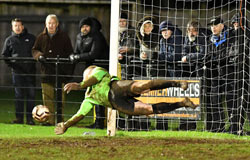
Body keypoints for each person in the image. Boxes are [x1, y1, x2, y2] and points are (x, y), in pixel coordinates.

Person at [54, 65, 198, 135]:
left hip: (116, 88)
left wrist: (79, 85)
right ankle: (182, 103)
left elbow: (94, 77)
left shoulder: (99, 73)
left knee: (143, 85)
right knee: (148, 109)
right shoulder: (89, 98)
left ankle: (177, 83)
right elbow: (80, 114)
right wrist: (66, 125)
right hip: (118, 104)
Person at [32, 14, 74, 125]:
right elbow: (34, 50)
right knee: (47, 97)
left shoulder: (64, 37)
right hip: (46, 73)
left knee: (61, 99)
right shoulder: (41, 37)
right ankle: (49, 120)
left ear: (57, 24)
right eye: (49, 23)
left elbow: (70, 52)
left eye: (53, 23)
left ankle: (60, 120)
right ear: (46, 24)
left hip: (60, 72)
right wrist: (39, 56)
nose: (51, 25)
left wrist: (67, 64)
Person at [69, 17, 109, 129]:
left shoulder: (97, 37)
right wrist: (73, 55)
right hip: (89, 69)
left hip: (100, 69)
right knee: (92, 94)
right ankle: (98, 121)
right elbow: (77, 51)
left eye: (86, 26)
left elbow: (94, 54)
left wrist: (78, 57)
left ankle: (100, 122)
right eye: (82, 26)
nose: (84, 28)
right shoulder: (78, 37)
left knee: (99, 94)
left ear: (91, 27)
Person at [1, 18, 36, 125]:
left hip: (30, 72)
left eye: (19, 25)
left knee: (31, 95)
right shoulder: (9, 40)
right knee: (19, 95)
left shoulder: (31, 38)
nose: (18, 28)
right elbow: (4, 55)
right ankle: (19, 118)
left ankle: (30, 119)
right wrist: (12, 65)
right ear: (12, 27)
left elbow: (37, 51)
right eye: (15, 26)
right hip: (17, 72)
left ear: (23, 26)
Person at [205, 17, 235, 133]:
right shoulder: (209, 39)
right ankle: (218, 126)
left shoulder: (230, 36)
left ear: (222, 25)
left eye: (216, 25)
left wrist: (218, 60)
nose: (213, 27)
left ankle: (233, 126)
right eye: (212, 25)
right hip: (214, 74)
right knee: (214, 99)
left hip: (228, 73)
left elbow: (230, 54)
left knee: (230, 100)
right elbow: (208, 55)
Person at [180, 20, 211, 130]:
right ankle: (188, 124)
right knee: (189, 95)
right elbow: (183, 52)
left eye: (193, 31)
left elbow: (203, 54)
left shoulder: (202, 38)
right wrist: (188, 56)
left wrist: (189, 57)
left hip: (201, 70)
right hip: (188, 71)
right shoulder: (187, 38)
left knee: (203, 96)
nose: (191, 33)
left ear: (198, 31)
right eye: (189, 30)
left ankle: (208, 125)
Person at [228, 13, 250, 135]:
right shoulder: (233, 38)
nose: (235, 24)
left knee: (247, 102)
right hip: (236, 74)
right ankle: (237, 128)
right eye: (234, 23)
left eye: (237, 22)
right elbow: (231, 53)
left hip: (247, 74)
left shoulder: (247, 37)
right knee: (237, 102)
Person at [118, 12, 139, 80]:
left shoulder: (134, 32)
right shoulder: (114, 32)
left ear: (127, 21)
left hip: (132, 63)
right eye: (120, 21)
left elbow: (140, 47)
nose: (122, 23)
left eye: (124, 21)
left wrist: (129, 49)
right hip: (119, 63)